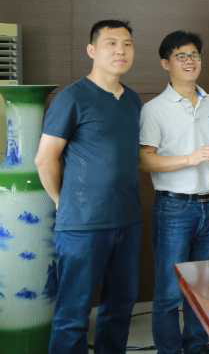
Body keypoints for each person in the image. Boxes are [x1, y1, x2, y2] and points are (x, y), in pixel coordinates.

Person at [35, 20, 141, 354]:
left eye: (127, 44)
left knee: (119, 308)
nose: (121, 50)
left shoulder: (132, 100)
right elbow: (45, 159)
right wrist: (59, 200)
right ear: (92, 50)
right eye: (111, 43)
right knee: (73, 314)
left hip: (127, 220)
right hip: (82, 225)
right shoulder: (72, 97)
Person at [139, 30, 209, 354]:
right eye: (181, 56)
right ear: (166, 63)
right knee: (169, 291)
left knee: (203, 288)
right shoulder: (154, 109)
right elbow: (145, 160)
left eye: (194, 55)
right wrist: (189, 159)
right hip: (174, 209)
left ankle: (196, 347)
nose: (190, 61)